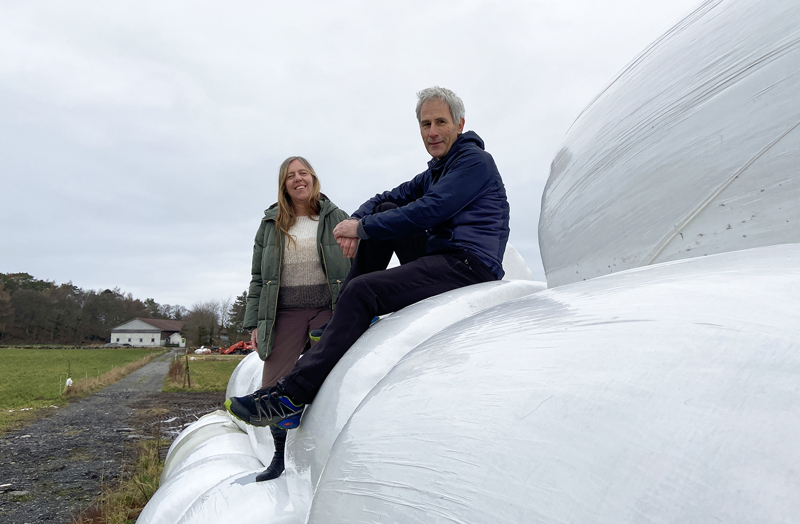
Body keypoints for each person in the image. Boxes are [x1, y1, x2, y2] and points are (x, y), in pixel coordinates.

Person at [226, 86, 509, 431]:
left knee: (364, 289)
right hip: (443, 256)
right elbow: (386, 197)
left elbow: (430, 210)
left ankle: (291, 396)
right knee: (388, 210)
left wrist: (362, 229)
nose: (432, 132)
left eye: (440, 122)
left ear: (459, 124)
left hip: (470, 265)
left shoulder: (473, 163)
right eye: (424, 124)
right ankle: (336, 323)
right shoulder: (436, 170)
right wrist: (356, 223)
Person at [229, 156, 351, 481]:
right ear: (283, 184)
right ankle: (279, 458)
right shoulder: (271, 224)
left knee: (323, 377)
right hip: (285, 312)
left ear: (313, 178)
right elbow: (258, 277)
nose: (298, 179)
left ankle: (323, 458)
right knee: (271, 385)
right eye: (290, 176)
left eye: (304, 173)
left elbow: (354, 264)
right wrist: (255, 322)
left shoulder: (336, 216)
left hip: (327, 309)